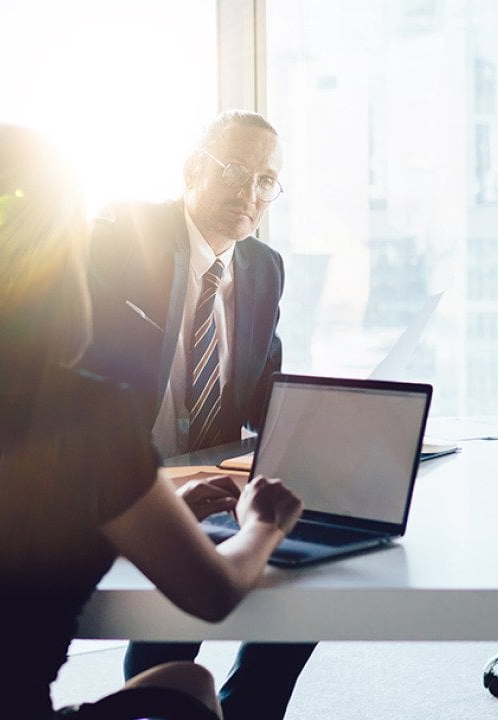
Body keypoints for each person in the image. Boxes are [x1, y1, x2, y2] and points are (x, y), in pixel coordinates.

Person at [0, 124, 303, 720]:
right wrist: (262, 524)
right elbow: (211, 595)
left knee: (180, 677)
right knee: (190, 689)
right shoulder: (87, 411)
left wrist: (136, 508)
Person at [79, 110, 313, 720]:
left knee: (307, 575)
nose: (252, 192)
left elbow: (266, 387)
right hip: (140, 477)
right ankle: (155, 703)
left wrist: (323, 423)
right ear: (192, 170)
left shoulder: (263, 266)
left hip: (218, 472)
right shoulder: (119, 236)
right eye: (236, 169)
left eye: (267, 179)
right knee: (175, 625)